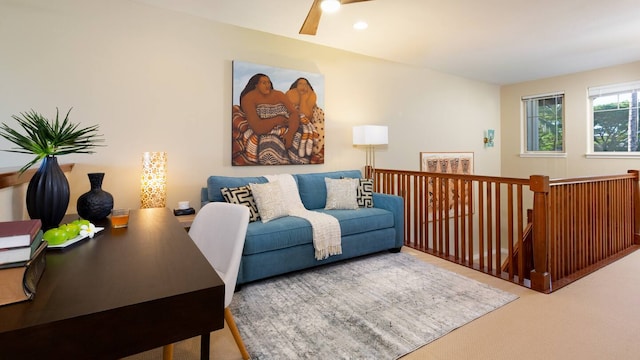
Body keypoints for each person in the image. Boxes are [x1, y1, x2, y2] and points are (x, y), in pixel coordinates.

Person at [233, 73, 302, 165]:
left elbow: (293, 113)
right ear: (256, 85)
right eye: (263, 83)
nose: (267, 85)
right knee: (269, 147)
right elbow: (258, 128)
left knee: (300, 140)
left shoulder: (279, 94)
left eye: (268, 82)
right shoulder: (248, 98)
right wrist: (276, 120)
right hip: (264, 132)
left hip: (288, 128)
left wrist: (290, 134)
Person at [286, 77, 325, 163]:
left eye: (305, 84)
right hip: (298, 123)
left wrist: (304, 98)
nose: (303, 86)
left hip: (314, 123)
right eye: (300, 84)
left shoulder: (314, 106)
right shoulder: (290, 104)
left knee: (319, 127)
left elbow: (308, 116)